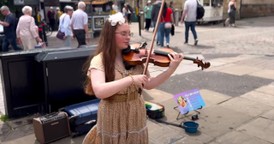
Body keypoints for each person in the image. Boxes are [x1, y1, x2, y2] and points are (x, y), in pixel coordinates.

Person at [82, 12, 183, 144]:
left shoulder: (136, 57)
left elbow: (149, 84)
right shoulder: (100, 60)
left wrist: (171, 69)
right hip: (113, 113)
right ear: (110, 35)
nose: (128, 37)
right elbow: (100, 91)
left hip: (136, 109)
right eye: (123, 34)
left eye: (129, 33)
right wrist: (131, 79)